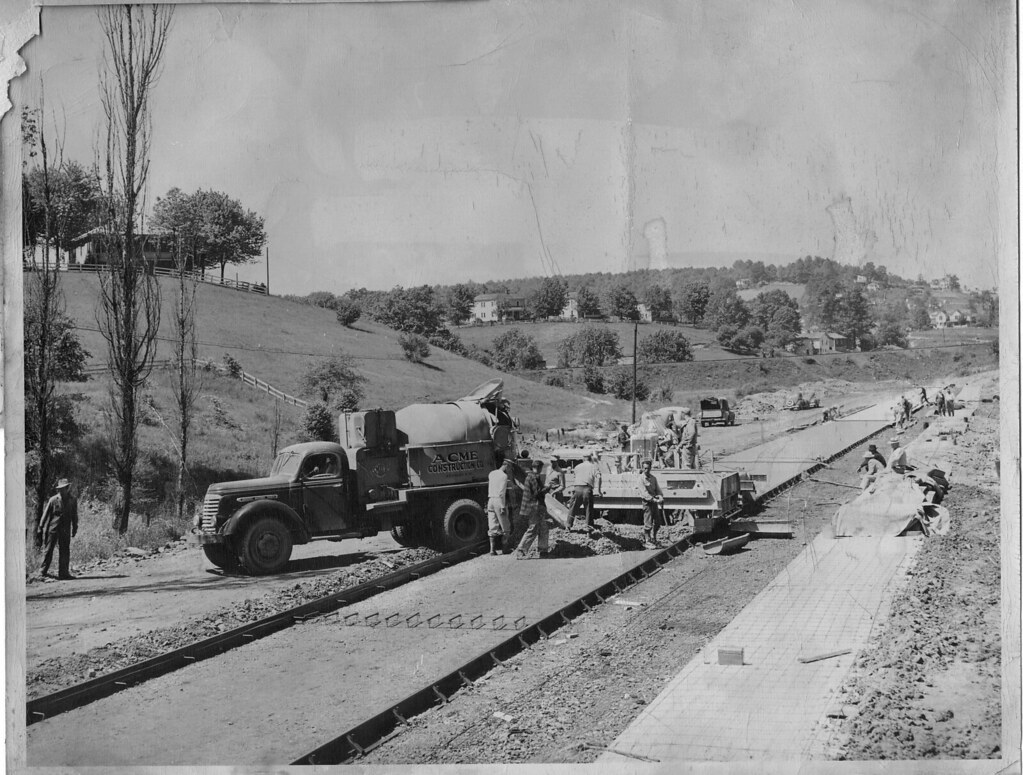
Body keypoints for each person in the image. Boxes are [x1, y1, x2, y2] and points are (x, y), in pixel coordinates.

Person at [38, 478, 79, 580]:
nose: (61, 490)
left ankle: (64, 573)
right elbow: (46, 514)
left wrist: (75, 527)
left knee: (65, 550)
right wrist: (41, 526)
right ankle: (42, 571)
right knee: (48, 550)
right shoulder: (53, 500)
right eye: (59, 489)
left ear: (67, 488)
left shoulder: (72, 500)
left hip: (65, 529)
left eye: (63, 488)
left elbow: (74, 515)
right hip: (53, 528)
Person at [515, 460, 550, 559]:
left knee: (543, 528)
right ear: (538, 467)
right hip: (534, 506)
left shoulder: (531, 477)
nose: (541, 470)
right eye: (540, 468)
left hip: (535, 506)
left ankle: (543, 551)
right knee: (533, 528)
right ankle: (521, 550)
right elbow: (537, 493)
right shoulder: (533, 477)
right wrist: (548, 488)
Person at [566, 453, 602, 536]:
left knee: (573, 508)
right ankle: (588, 529)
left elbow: (575, 477)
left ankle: (568, 526)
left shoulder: (577, 467)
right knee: (588, 509)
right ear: (591, 459)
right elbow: (599, 477)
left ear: (583, 459)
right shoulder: (594, 466)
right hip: (587, 489)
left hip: (577, 488)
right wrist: (599, 490)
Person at [486, 458, 512, 555]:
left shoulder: (491, 473)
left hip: (490, 500)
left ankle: (492, 550)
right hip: (498, 500)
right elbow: (501, 492)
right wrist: (502, 506)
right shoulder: (504, 476)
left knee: (492, 525)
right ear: (507, 466)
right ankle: (505, 548)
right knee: (505, 526)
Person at [638, 460, 664, 548]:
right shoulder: (641, 479)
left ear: (650, 468)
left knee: (657, 522)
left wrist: (660, 496)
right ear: (642, 468)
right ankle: (647, 541)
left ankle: (654, 538)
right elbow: (644, 493)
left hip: (654, 502)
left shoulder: (653, 478)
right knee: (648, 523)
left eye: (648, 468)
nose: (646, 470)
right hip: (647, 503)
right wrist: (653, 499)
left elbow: (658, 489)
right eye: (645, 468)